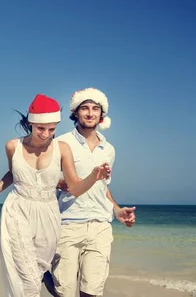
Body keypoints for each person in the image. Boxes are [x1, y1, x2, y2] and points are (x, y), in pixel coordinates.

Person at [0, 93, 111, 297]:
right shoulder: (13, 146)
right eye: (41, 129)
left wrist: (94, 176)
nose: (46, 134)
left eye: (52, 129)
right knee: (28, 279)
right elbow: (14, 173)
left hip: (49, 214)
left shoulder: (62, 149)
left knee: (37, 272)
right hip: (18, 209)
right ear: (31, 123)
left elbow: (75, 189)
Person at [46, 88, 136, 297]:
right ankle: (46, 275)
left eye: (95, 109)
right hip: (68, 223)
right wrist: (59, 182)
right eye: (84, 108)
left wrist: (117, 210)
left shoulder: (109, 149)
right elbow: (44, 177)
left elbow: (102, 187)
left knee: (92, 292)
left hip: (100, 226)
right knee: (64, 292)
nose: (90, 113)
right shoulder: (60, 143)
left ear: (101, 115)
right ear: (75, 113)